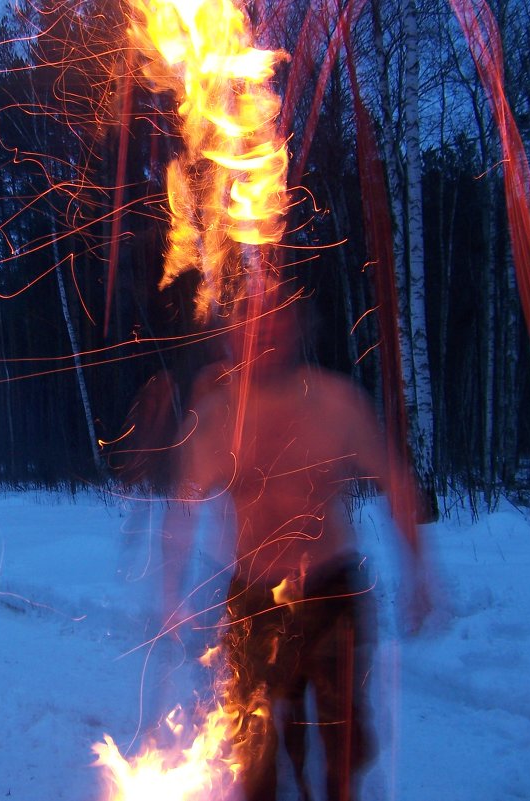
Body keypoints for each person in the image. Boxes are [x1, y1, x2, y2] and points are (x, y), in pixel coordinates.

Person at [161, 291, 432, 801]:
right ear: (231, 334)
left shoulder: (335, 401)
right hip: (255, 600)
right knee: (255, 745)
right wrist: (169, 593)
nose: (264, 331)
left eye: (277, 319)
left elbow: (396, 483)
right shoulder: (218, 415)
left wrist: (420, 572)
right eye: (251, 321)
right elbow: (182, 504)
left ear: (298, 328)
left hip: (331, 594)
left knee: (344, 738)